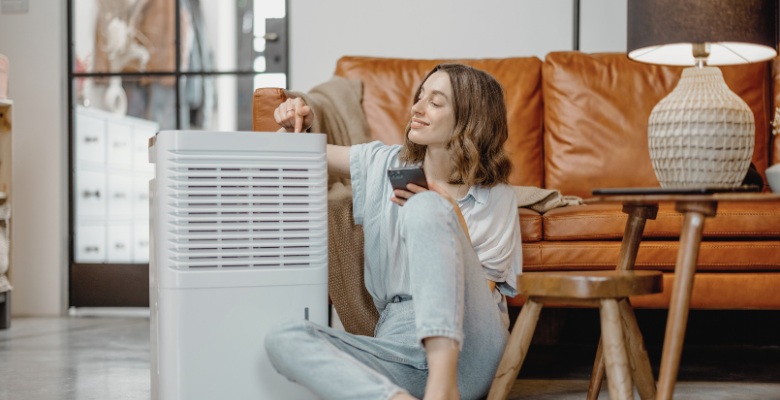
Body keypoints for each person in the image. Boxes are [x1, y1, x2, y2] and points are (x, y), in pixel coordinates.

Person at [264, 63, 523, 400]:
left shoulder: (498, 197)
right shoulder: (381, 163)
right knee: (283, 338)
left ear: (470, 118)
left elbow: (475, 293)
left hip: (469, 352)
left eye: (435, 101)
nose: (416, 107)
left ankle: (443, 389)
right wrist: (299, 121)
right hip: (398, 345)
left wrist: (447, 211)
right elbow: (288, 154)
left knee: (426, 206)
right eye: (420, 96)